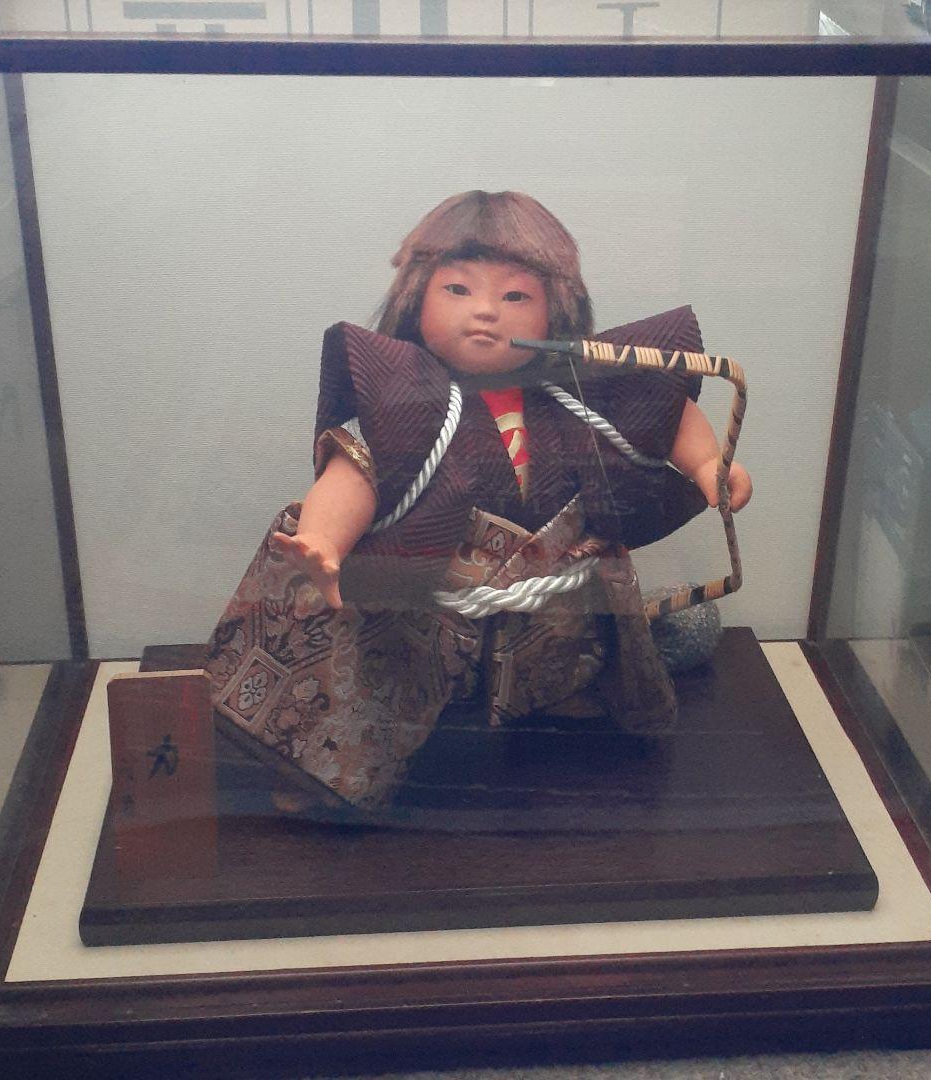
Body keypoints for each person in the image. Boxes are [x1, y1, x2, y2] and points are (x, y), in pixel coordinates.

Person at [205, 191, 751, 815]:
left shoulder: (575, 386)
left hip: (555, 593)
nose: (486, 311)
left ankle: (573, 709)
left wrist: (708, 467)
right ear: (416, 297)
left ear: (556, 309)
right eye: (458, 290)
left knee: (581, 663)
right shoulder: (403, 398)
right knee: (376, 684)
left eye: (515, 296)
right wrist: (324, 541)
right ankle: (322, 778)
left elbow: (664, 409)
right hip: (435, 605)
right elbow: (351, 474)